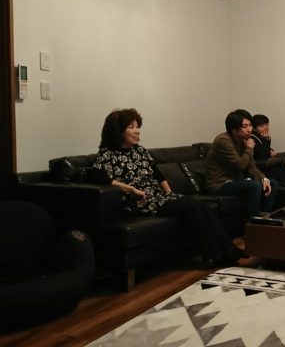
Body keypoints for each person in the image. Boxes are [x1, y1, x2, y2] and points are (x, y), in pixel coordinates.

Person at [92, 108, 243, 269]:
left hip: (158, 196)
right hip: (138, 201)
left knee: (202, 205)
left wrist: (170, 193)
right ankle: (214, 255)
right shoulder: (107, 155)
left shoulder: (139, 151)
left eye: (137, 126)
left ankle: (229, 249)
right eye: (131, 127)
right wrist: (131, 189)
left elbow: (158, 175)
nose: (137, 131)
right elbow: (101, 179)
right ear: (118, 131)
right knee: (190, 207)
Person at [205, 109, 279, 216]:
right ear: (234, 129)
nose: (250, 129)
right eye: (245, 126)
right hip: (220, 184)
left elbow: (251, 167)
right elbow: (239, 165)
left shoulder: (243, 139)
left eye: (250, 125)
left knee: (272, 183)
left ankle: (264, 217)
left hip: (236, 180)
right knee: (255, 185)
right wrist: (249, 148)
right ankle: (253, 220)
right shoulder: (223, 141)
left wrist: (263, 178)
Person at [251, 114, 285, 184]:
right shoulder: (252, 138)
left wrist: (270, 150)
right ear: (254, 128)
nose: (266, 128)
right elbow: (262, 154)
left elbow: (265, 148)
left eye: (267, 125)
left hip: (266, 163)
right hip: (260, 166)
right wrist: (267, 140)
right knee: (284, 173)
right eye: (262, 126)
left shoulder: (260, 136)